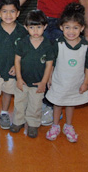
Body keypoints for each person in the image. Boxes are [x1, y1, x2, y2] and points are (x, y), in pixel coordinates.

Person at [45, 3, 88, 143]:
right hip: (59, 81)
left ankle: (68, 126)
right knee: (58, 103)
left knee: (71, 103)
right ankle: (55, 126)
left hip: (76, 83)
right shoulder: (58, 44)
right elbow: (51, 62)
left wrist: (85, 83)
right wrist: (49, 78)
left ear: (82, 28)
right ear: (61, 27)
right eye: (67, 27)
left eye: (75, 28)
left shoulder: (86, 46)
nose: (71, 31)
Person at [0, 0, 28, 130]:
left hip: (12, 71)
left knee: (8, 93)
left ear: (18, 13)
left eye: (12, 11)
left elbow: (24, 52)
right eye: (4, 11)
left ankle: (4, 113)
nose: (8, 15)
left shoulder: (22, 31)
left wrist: (16, 66)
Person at [9, 10, 54, 138]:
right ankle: (18, 122)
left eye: (39, 27)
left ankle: (33, 124)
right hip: (22, 81)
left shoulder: (47, 45)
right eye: (32, 27)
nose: (35, 31)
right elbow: (17, 60)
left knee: (36, 105)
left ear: (45, 27)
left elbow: (49, 64)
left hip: (38, 82)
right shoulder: (23, 43)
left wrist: (44, 82)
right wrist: (18, 78)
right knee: (19, 102)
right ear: (26, 27)